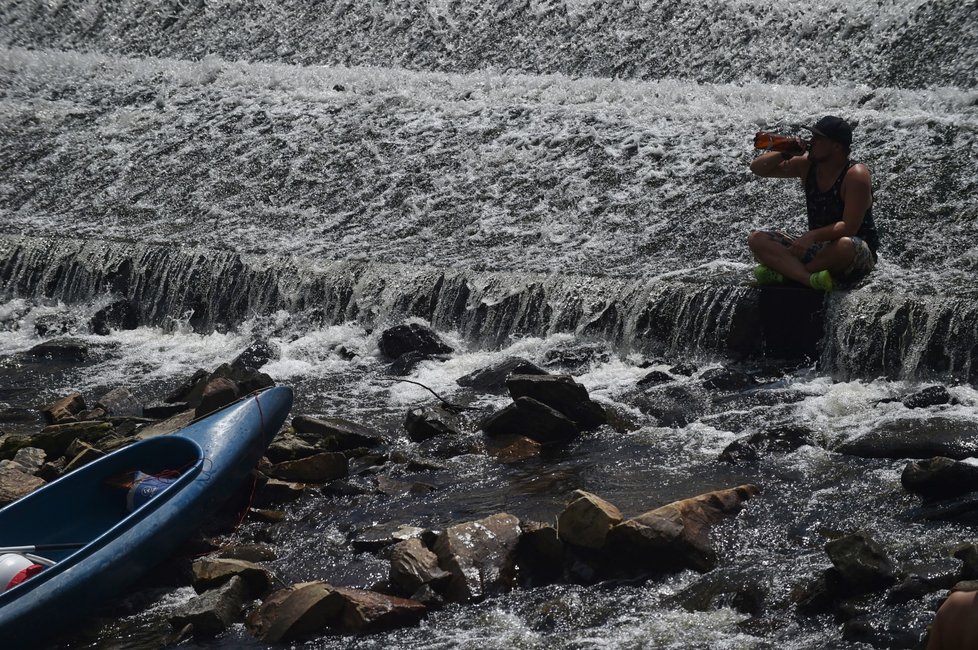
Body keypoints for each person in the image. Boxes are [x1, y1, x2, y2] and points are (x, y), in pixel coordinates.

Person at [747, 115, 880, 292]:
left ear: (836, 147)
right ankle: (808, 279)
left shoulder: (856, 175)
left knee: (845, 246)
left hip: (852, 253)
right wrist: (784, 152)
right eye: (812, 136)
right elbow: (758, 168)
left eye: (818, 138)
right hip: (818, 249)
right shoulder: (806, 165)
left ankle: (787, 272)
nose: (811, 141)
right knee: (757, 239)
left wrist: (811, 236)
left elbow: (849, 227)